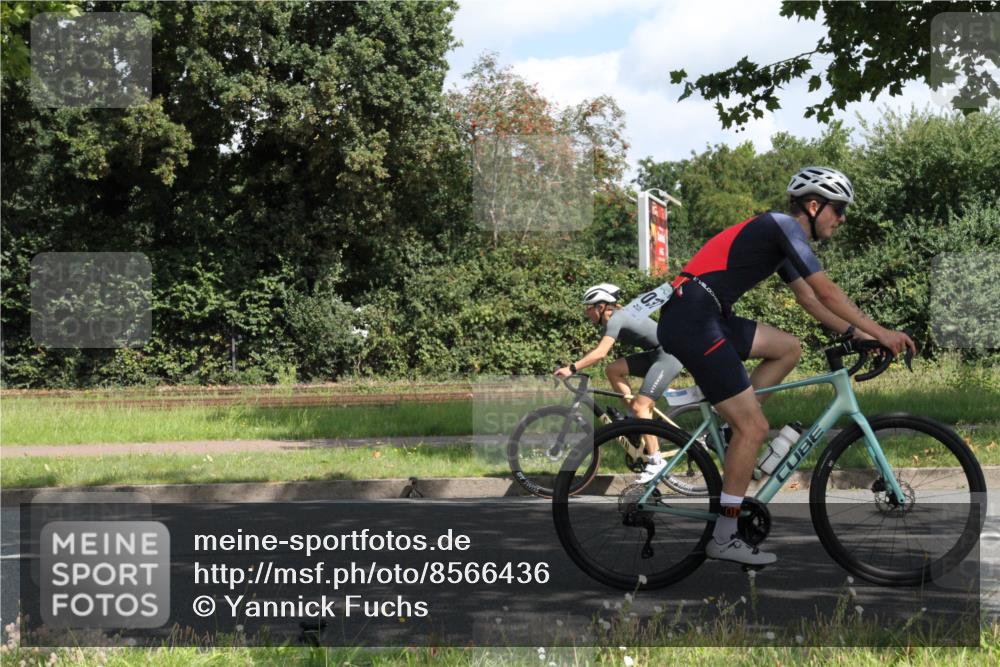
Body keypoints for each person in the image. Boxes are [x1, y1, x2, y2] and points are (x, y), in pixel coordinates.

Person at [657, 166, 916, 566]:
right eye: (838, 209)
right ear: (813, 206)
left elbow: (810, 301)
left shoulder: (778, 239)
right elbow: (827, 290)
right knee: (755, 427)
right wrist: (881, 332)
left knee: (787, 348)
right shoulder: (782, 226)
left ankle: (730, 426)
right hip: (695, 318)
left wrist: (856, 334)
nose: (841, 219)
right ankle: (724, 536)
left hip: (706, 315)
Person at [554, 283, 683, 482]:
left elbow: (600, 353)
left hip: (668, 356)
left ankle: (656, 461)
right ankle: (635, 420)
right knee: (613, 370)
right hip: (655, 354)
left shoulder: (616, 318)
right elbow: (603, 355)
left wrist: (571, 368)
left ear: (601, 307)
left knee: (642, 407)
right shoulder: (614, 318)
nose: (586, 312)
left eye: (589, 307)